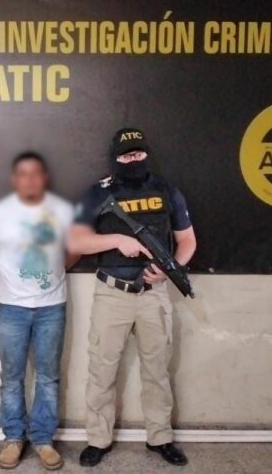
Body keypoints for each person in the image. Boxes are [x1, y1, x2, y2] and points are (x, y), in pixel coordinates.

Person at [67, 128, 197, 468]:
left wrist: (169, 269)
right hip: (112, 294)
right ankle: (98, 439)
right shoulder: (98, 193)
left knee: (157, 370)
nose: (133, 160)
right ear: (116, 159)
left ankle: (160, 437)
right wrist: (116, 241)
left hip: (153, 295)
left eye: (138, 154)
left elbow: (187, 241)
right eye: (126, 155)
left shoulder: (166, 190)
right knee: (102, 370)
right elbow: (76, 242)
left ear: (147, 154)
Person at [0, 152, 78, 470]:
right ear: (15, 179)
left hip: (51, 307)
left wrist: (56, 270)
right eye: (23, 173)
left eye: (36, 173)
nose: (30, 179)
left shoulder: (62, 211)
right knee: (11, 378)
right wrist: (11, 277)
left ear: (44, 178)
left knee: (48, 377)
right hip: (11, 309)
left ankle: (43, 440)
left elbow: (75, 248)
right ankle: (13, 438)